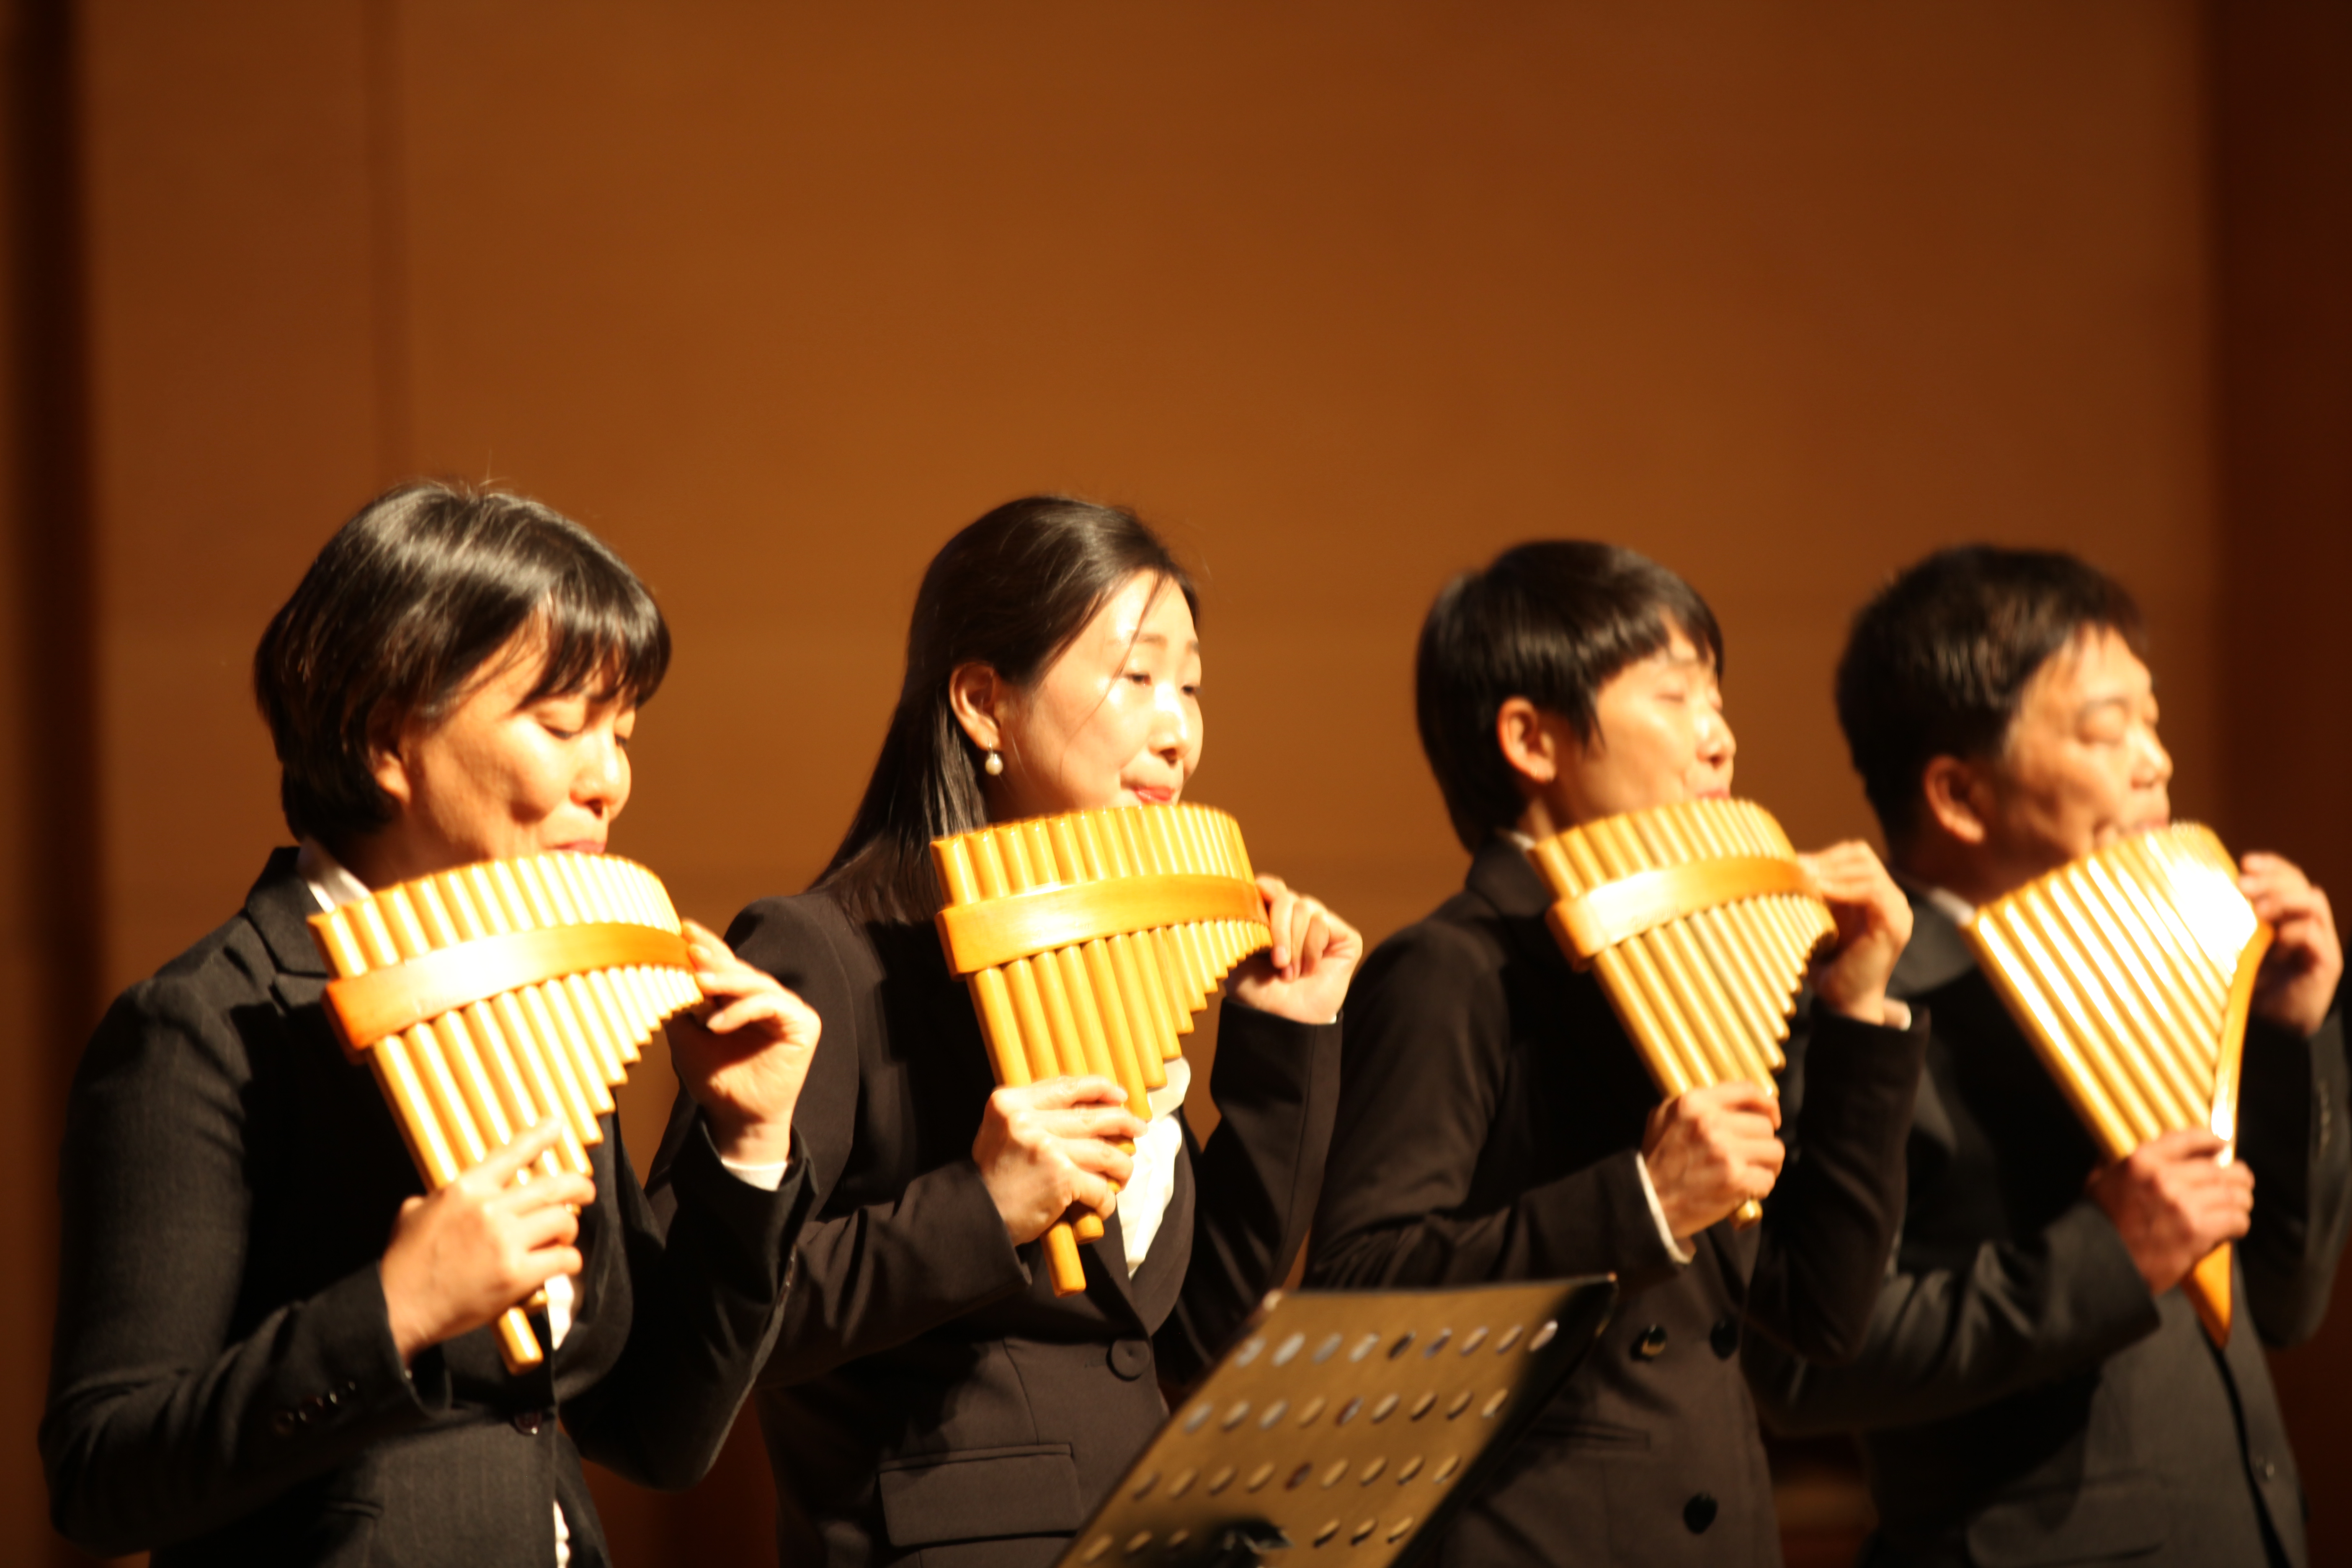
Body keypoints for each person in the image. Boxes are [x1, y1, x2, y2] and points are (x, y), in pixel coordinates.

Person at [41, 482, 824, 1566]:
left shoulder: (547, 1010)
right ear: (386, 740)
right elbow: (101, 1476)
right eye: (563, 726)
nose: (609, 779)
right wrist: (394, 1311)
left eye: (623, 732)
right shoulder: (205, 1028)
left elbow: (657, 1432)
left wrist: (748, 1147)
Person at [658, 495, 1358, 1566]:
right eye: (1138, 677)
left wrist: (1282, 1045)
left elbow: (1187, 1335)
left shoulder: (1117, 977)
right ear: (985, 704)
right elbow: (707, 1319)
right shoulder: (823, 955)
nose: (1178, 731)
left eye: (1191, 687)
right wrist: (980, 1207)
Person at [1305, 540, 1926, 1565]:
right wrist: (1642, 1204)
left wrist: (1858, 1013)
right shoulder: (1453, 969)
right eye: (1676, 697)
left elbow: (1819, 1313)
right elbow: (1358, 1289)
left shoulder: (1709, 965)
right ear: (1531, 739)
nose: (1720, 740)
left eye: (1718, 701)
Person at [1746, 544, 2350, 1566]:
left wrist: (2294, 1037)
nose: (2156, 762)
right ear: (1959, 794)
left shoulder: (2165, 958)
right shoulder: (1857, 1000)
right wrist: (2103, 1259)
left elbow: (2284, 1304)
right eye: (2108, 732)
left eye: (2152, 722)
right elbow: (1804, 1373)